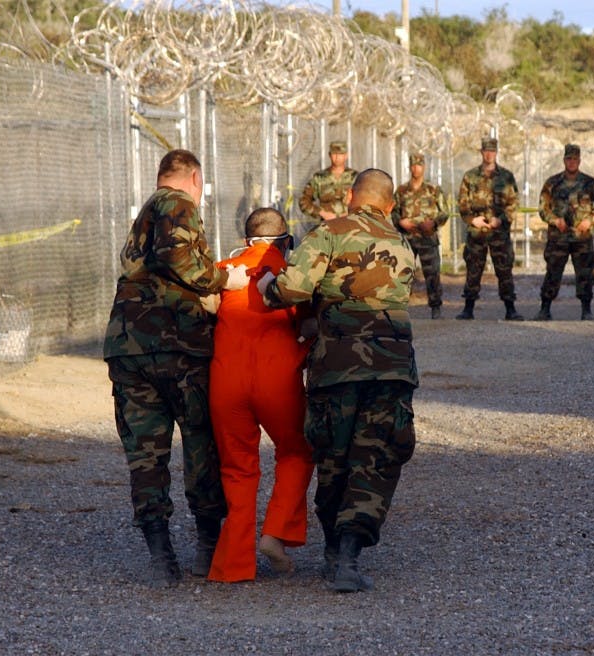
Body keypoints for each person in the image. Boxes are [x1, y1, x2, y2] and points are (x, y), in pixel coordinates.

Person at [257, 169, 417, 593]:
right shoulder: (403, 244)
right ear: (389, 204)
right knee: (376, 457)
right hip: (392, 366)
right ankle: (348, 553)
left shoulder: (327, 233)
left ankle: (332, 550)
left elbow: (293, 289)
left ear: (350, 196)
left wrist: (267, 286)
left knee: (334, 455)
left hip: (338, 366)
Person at [103, 149, 249, 588]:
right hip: (178, 348)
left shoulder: (147, 211)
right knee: (202, 445)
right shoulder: (176, 203)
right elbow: (177, 256)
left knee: (146, 455)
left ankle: (160, 554)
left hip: (131, 348)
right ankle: (208, 547)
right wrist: (226, 282)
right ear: (195, 178)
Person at [205, 208, 316, 583]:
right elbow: (309, 323)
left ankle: (232, 566)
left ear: (246, 238)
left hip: (226, 381)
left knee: (237, 468)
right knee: (297, 450)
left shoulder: (223, 270)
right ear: (285, 240)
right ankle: (275, 534)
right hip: (277, 379)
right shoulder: (289, 275)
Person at [535, 144, 594, 320]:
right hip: (558, 237)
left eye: (575, 159)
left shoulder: (590, 183)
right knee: (553, 272)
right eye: (569, 159)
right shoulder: (552, 183)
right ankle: (545, 309)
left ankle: (586, 310)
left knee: (584, 273)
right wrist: (555, 220)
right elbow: (543, 209)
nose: (572, 162)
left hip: (582, 238)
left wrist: (589, 220)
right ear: (564, 160)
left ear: (579, 161)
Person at [456, 137, 523, 321]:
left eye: (492, 151)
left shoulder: (506, 177)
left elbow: (513, 203)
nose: (489, 154)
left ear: (496, 152)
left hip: (498, 232)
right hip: (477, 232)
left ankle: (510, 308)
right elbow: (462, 204)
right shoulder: (470, 177)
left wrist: (500, 220)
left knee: (504, 270)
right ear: (481, 152)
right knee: (473, 269)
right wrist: (472, 219)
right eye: (486, 150)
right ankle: (468, 308)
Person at [392, 152, 449, 319]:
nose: (416, 168)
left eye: (419, 165)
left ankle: (435, 307)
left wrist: (434, 223)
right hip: (407, 238)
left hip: (427, 238)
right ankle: (400, 308)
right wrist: (400, 222)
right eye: (413, 165)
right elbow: (394, 211)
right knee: (403, 273)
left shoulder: (433, 190)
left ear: (424, 167)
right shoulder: (401, 191)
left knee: (432, 274)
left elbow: (444, 212)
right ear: (409, 167)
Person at [299, 140, 358, 223]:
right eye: (334, 154)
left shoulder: (355, 177)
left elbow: (365, 201)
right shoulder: (320, 178)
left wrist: (351, 213)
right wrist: (322, 213)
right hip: (327, 225)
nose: (337, 157)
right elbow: (304, 201)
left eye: (340, 154)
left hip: (350, 225)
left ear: (346, 156)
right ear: (329, 155)